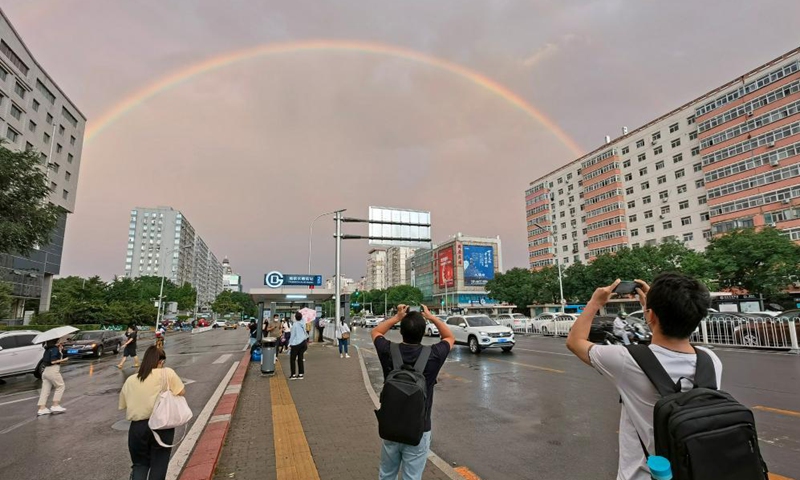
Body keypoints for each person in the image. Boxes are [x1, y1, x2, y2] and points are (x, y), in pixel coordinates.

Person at [566, 274, 722, 480]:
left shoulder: (628, 360)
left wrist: (595, 302)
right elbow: (665, 342)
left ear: (651, 316)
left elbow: (575, 341)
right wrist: (652, 311)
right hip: (698, 471)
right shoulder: (711, 360)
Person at [371, 305, 454, 480]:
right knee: (412, 477)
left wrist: (397, 317)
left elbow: (376, 332)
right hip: (419, 429)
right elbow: (449, 337)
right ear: (423, 333)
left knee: (386, 474)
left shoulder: (388, 350)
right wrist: (432, 317)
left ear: (401, 331)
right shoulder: (433, 354)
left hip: (390, 427)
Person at [119, 346, 185, 480]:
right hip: (161, 426)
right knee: (159, 463)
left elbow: (123, 404)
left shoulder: (131, 380)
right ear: (161, 361)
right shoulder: (167, 373)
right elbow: (181, 392)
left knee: (139, 465)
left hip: (137, 428)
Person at [37, 339, 69, 416]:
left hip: (45, 371)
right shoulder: (54, 349)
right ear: (56, 342)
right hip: (53, 370)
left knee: (45, 390)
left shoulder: (47, 349)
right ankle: (55, 405)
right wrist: (64, 359)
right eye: (59, 341)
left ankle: (42, 408)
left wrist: (60, 350)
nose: (61, 343)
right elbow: (53, 361)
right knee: (60, 386)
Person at [288, 311, 309, 379]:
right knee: (300, 358)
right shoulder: (303, 323)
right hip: (303, 343)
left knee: (292, 359)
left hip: (296, 344)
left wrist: (289, 343)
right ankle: (301, 374)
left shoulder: (295, 325)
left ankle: (293, 375)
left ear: (295, 318)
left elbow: (293, 335)